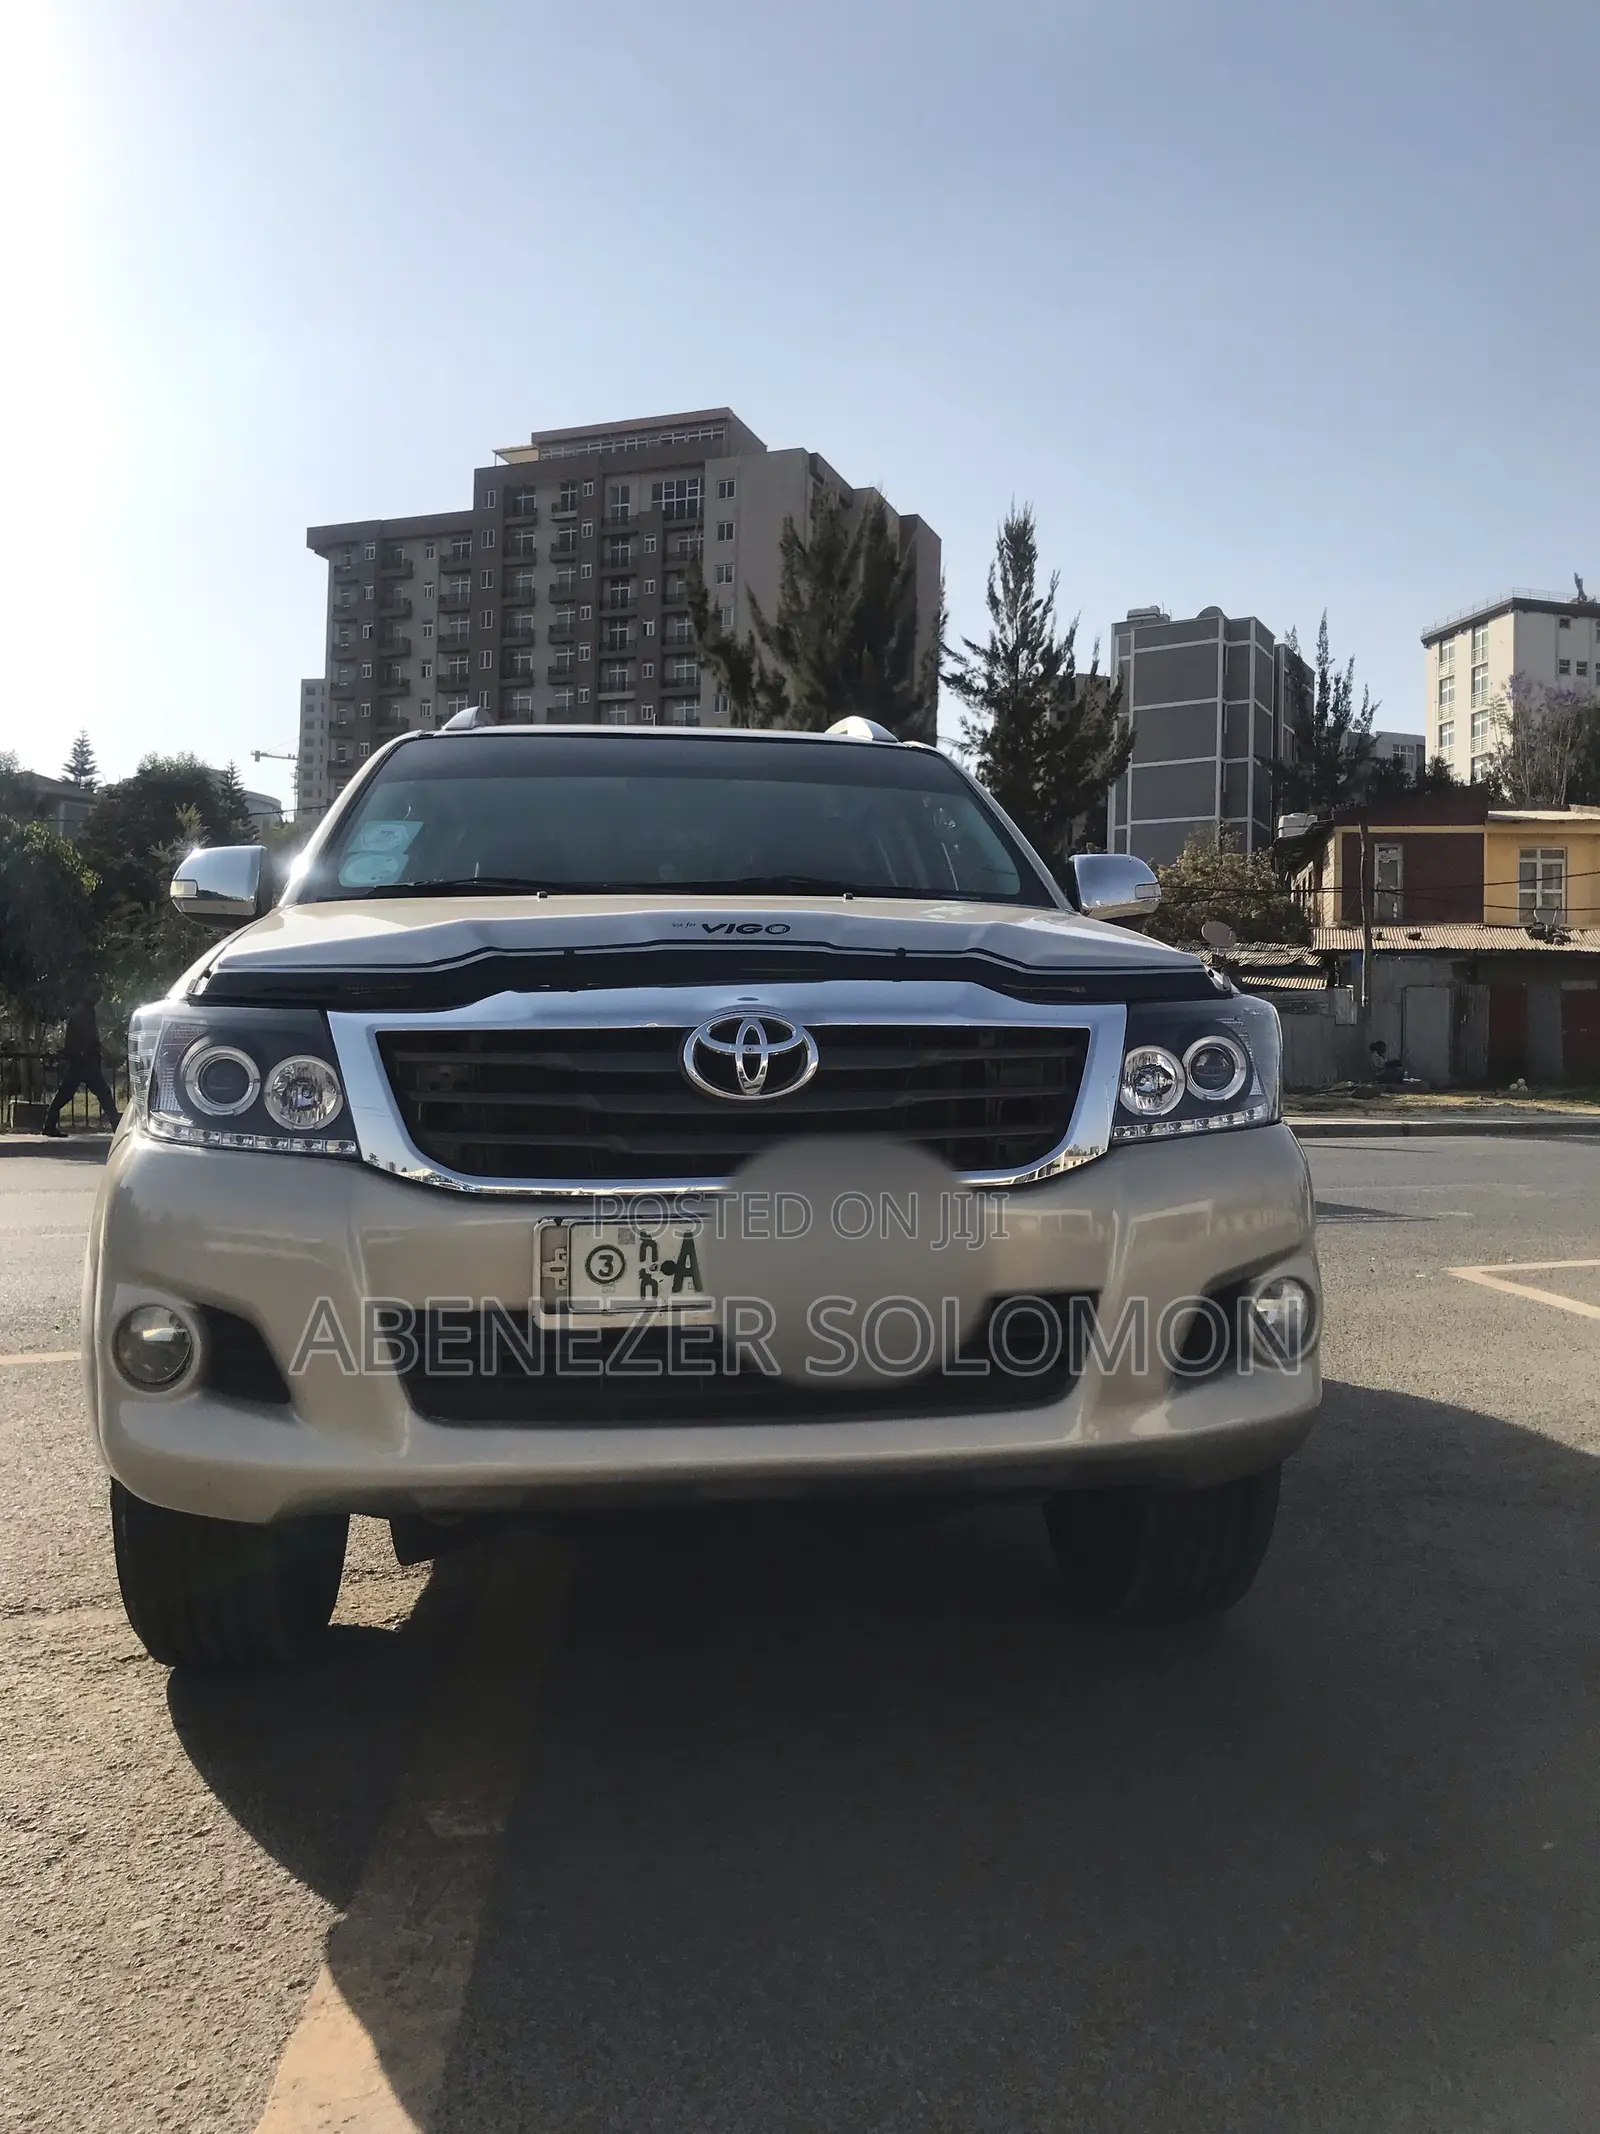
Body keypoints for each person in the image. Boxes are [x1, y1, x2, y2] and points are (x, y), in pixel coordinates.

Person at [42, 991, 121, 1136]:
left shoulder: (80, 1011)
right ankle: (117, 1125)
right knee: (103, 1094)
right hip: (85, 1061)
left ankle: (49, 1124)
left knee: (66, 1093)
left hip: (80, 1060)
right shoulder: (85, 1012)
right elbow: (91, 1039)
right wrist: (103, 1052)